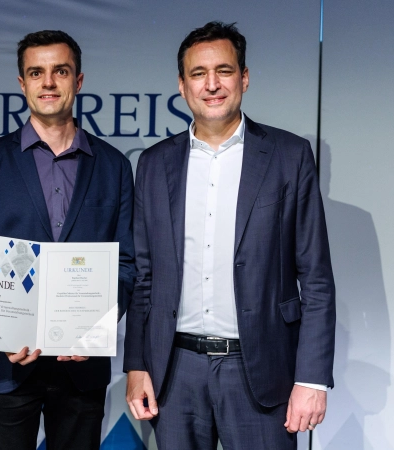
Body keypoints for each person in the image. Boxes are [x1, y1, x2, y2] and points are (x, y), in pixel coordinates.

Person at [123, 21, 336, 449]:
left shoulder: (288, 156)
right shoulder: (153, 163)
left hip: (260, 371)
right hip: (175, 371)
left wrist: (312, 377)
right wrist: (136, 366)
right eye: (198, 74)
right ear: (182, 86)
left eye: (224, 70)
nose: (212, 84)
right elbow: (145, 275)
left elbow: (314, 276)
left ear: (244, 78)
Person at [0, 30, 135, 450]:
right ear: (22, 84)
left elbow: (127, 264)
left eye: (60, 71)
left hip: (81, 369)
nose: (48, 83)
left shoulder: (115, 167)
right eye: (37, 72)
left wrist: (95, 326)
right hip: (3, 366)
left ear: (78, 81)